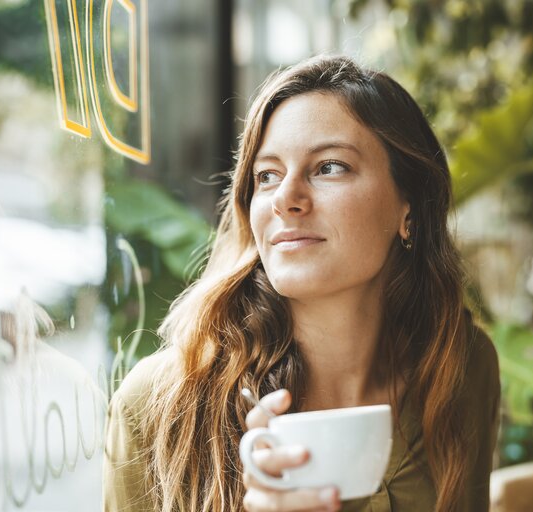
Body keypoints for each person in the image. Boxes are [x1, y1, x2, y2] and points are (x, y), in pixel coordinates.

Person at [103, 54, 500, 512]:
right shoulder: (157, 408)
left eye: (329, 166)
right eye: (267, 176)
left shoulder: (460, 369)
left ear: (408, 208)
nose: (285, 200)